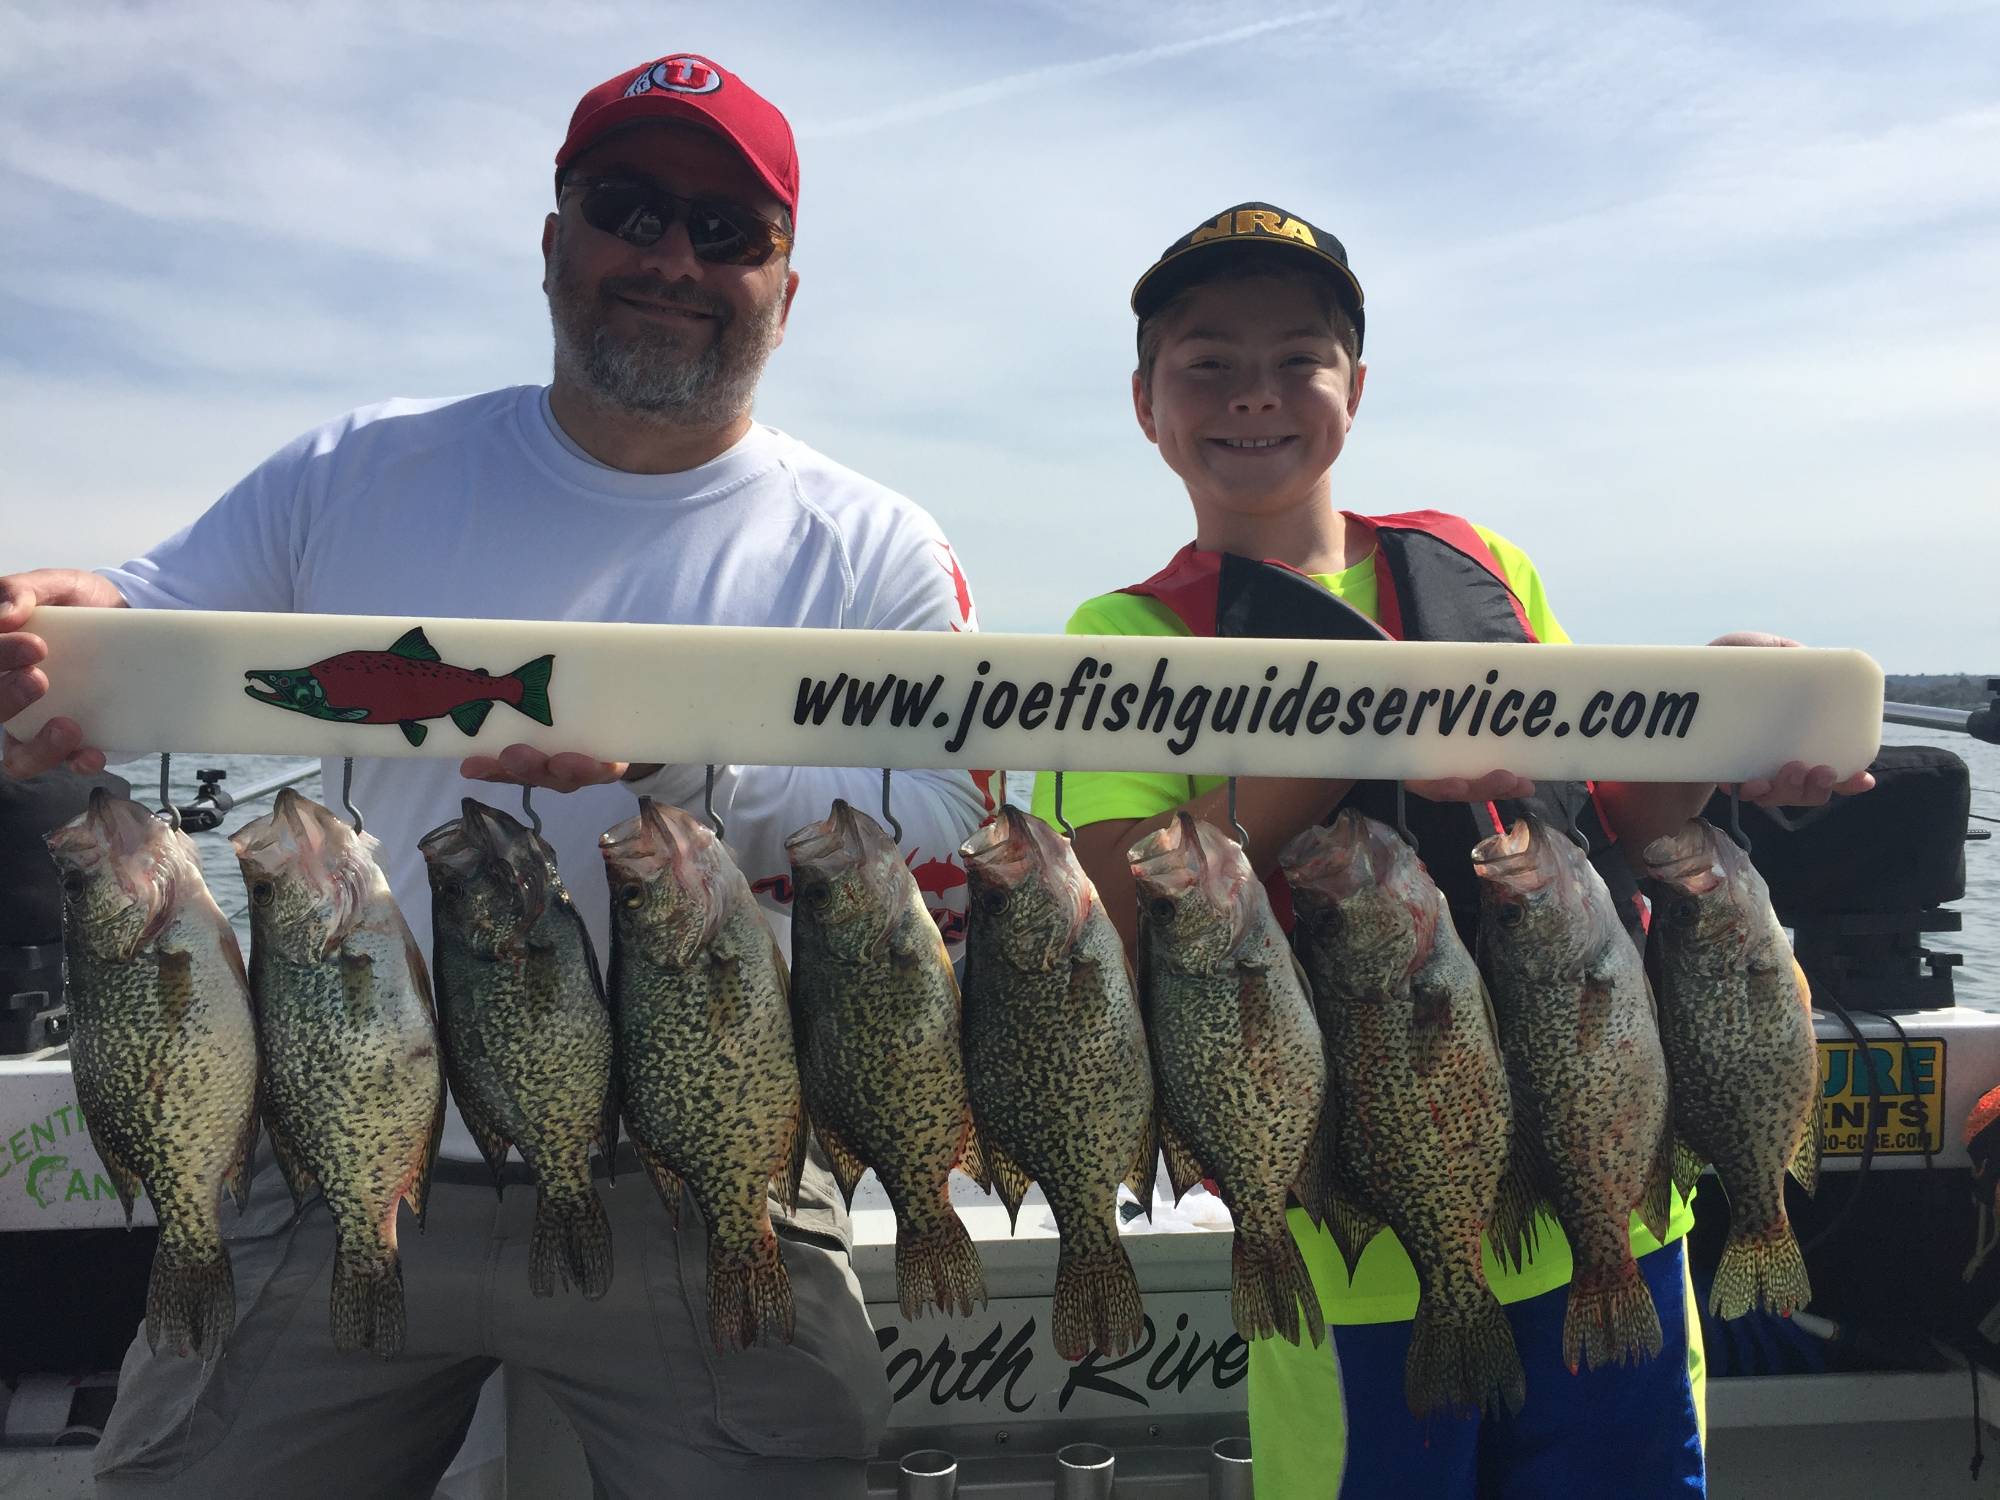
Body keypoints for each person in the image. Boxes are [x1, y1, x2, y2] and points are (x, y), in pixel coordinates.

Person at [0, 51, 990, 1500]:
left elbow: (956, 821)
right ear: (552, 239)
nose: (672, 258)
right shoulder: (355, 469)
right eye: (629, 208)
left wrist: (699, 757)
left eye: (729, 231)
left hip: (706, 1181)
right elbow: (145, 624)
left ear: (787, 282)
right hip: (342, 1143)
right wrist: (52, 645)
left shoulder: (876, 546)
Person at [1031, 201, 1873, 1498]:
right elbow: (1122, 920)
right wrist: (1359, 737)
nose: (1255, 393)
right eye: (1208, 362)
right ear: (1146, 402)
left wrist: (1729, 722)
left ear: (1354, 390)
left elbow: (1621, 821)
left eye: (1298, 357)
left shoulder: (1480, 567)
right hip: (1362, 1250)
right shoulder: (1126, 634)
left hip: (1611, 1202)